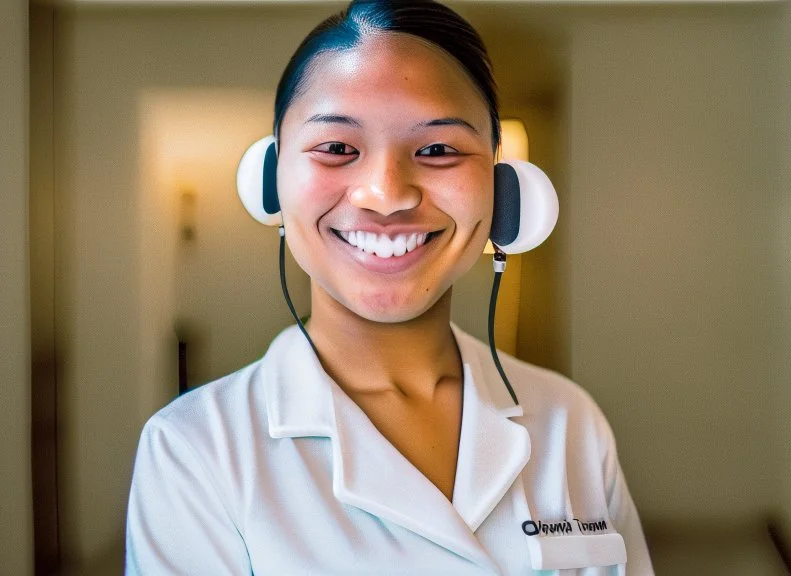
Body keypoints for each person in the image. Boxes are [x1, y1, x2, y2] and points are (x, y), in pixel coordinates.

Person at [125, 1, 653, 574]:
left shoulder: (568, 420)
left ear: (506, 191)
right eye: (337, 148)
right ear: (270, 181)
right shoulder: (195, 451)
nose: (386, 193)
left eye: (437, 150)